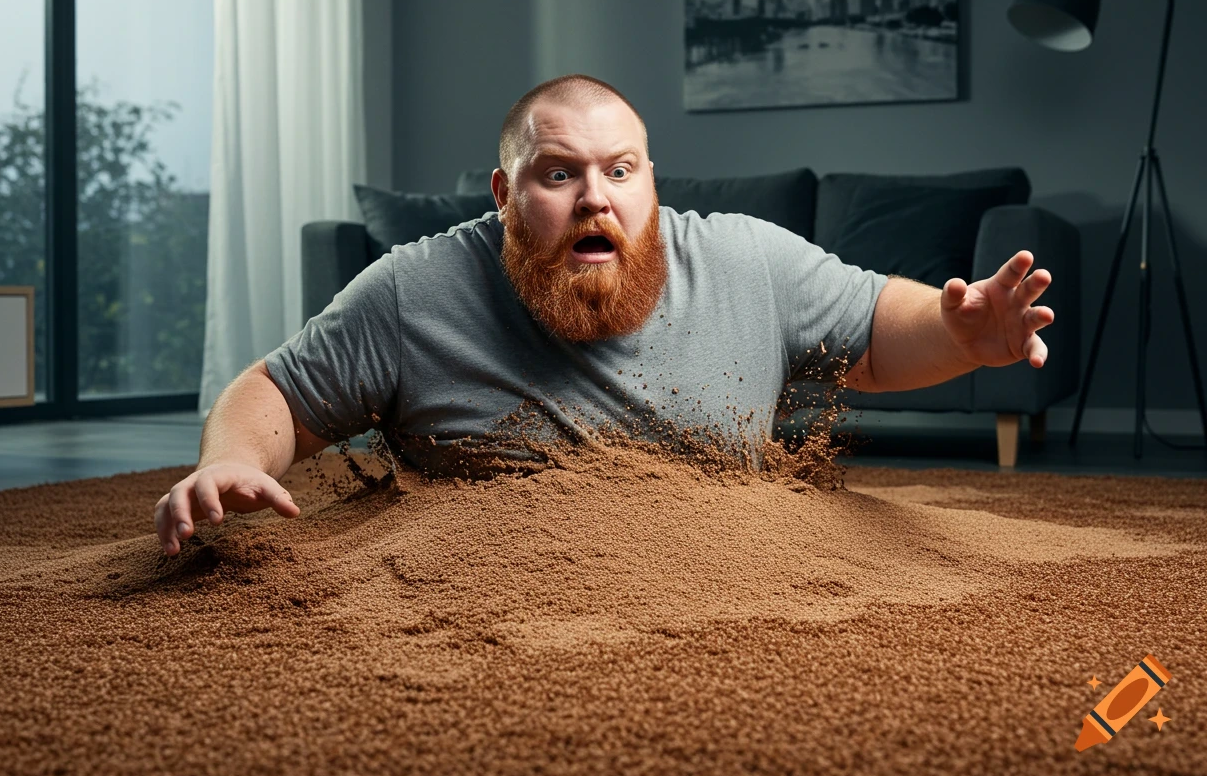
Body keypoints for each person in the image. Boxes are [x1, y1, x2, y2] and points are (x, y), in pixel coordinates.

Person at [154, 74, 1054, 556]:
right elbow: (280, 390)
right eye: (560, 174)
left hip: (738, 579)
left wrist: (961, 335)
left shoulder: (745, 256)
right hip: (477, 595)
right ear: (506, 193)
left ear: (652, 183)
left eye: (622, 171)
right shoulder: (411, 290)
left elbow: (872, 332)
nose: (597, 199)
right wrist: (229, 460)